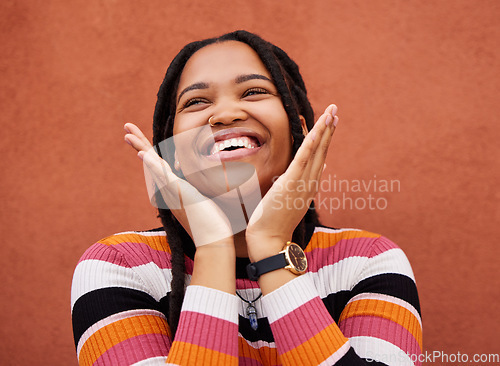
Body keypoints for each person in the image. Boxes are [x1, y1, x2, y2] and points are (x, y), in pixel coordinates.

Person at [71, 30, 422, 366]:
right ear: (173, 151)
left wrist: (271, 249)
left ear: (299, 131)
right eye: (196, 101)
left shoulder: (367, 261)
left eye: (253, 92)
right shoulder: (120, 266)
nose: (225, 114)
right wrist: (213, 249)